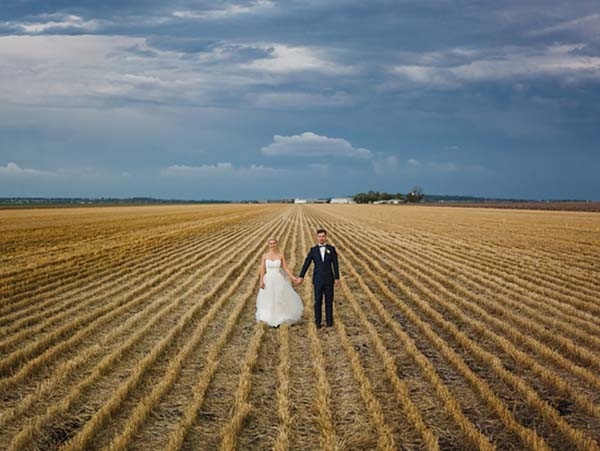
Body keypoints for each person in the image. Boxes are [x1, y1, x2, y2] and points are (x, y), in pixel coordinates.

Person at [256, 237, 304, 327]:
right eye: (271, 243)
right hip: (268, 279)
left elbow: (285, 268)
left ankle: (280, 317)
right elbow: (262, 268)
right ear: (268, 245)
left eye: (274, 243)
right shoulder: (265, 256)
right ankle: (268, 317)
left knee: (279, 297)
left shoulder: (280, 255)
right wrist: (261, 280)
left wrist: (293, 277)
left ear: (276, 244)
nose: (272, 245)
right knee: (268, 298)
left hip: (278, 279)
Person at [298, 228, 340, 328]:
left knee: (329, 301)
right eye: (319, 236)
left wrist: (337, 278)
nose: (321, 238)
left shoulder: (332, 249)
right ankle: (318, 322)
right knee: (318, 301)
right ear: (317, 238)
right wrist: (301, 276)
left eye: (323, 236)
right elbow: (306, 263)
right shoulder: (313, 250)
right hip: (318, 280)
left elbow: (335, 264)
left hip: (329, 279)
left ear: (326, 237)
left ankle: (329, 322)